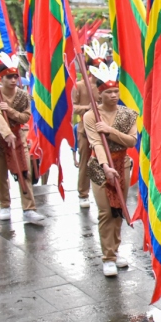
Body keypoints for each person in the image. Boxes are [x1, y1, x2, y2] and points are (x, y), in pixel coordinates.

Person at [83, 61, 137, 276]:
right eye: (109, 92)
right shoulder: (91, 116)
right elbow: (96, 143)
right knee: (106, 211)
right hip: (99, 166)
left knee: (119, 210)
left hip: (122, 163)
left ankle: (115, 250)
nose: (114, 95)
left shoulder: (128, 114)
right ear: (100, 93)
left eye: (116, 91)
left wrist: (110, 131)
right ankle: (108, 257)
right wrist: (105, 166)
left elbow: (131, 141)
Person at [0, 52, 44, 224]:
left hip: (18, 137)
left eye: (15, 76)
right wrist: (6, 133)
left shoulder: (23, 95)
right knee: (0, 174)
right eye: (9, 77)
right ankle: (4, 205)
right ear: (1, 79)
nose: (13, 80)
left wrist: (10, 111)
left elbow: (25, 117)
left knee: (24, 170)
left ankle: (29, 209)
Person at [72, 42, 103, 209]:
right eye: (96, 66)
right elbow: (73, 107)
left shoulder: (105, 85)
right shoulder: (79, 85)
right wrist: (87, 108)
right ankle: (83, 193)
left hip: (103, 129)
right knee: (85, 161)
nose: (99, 68)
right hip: (85, 130)